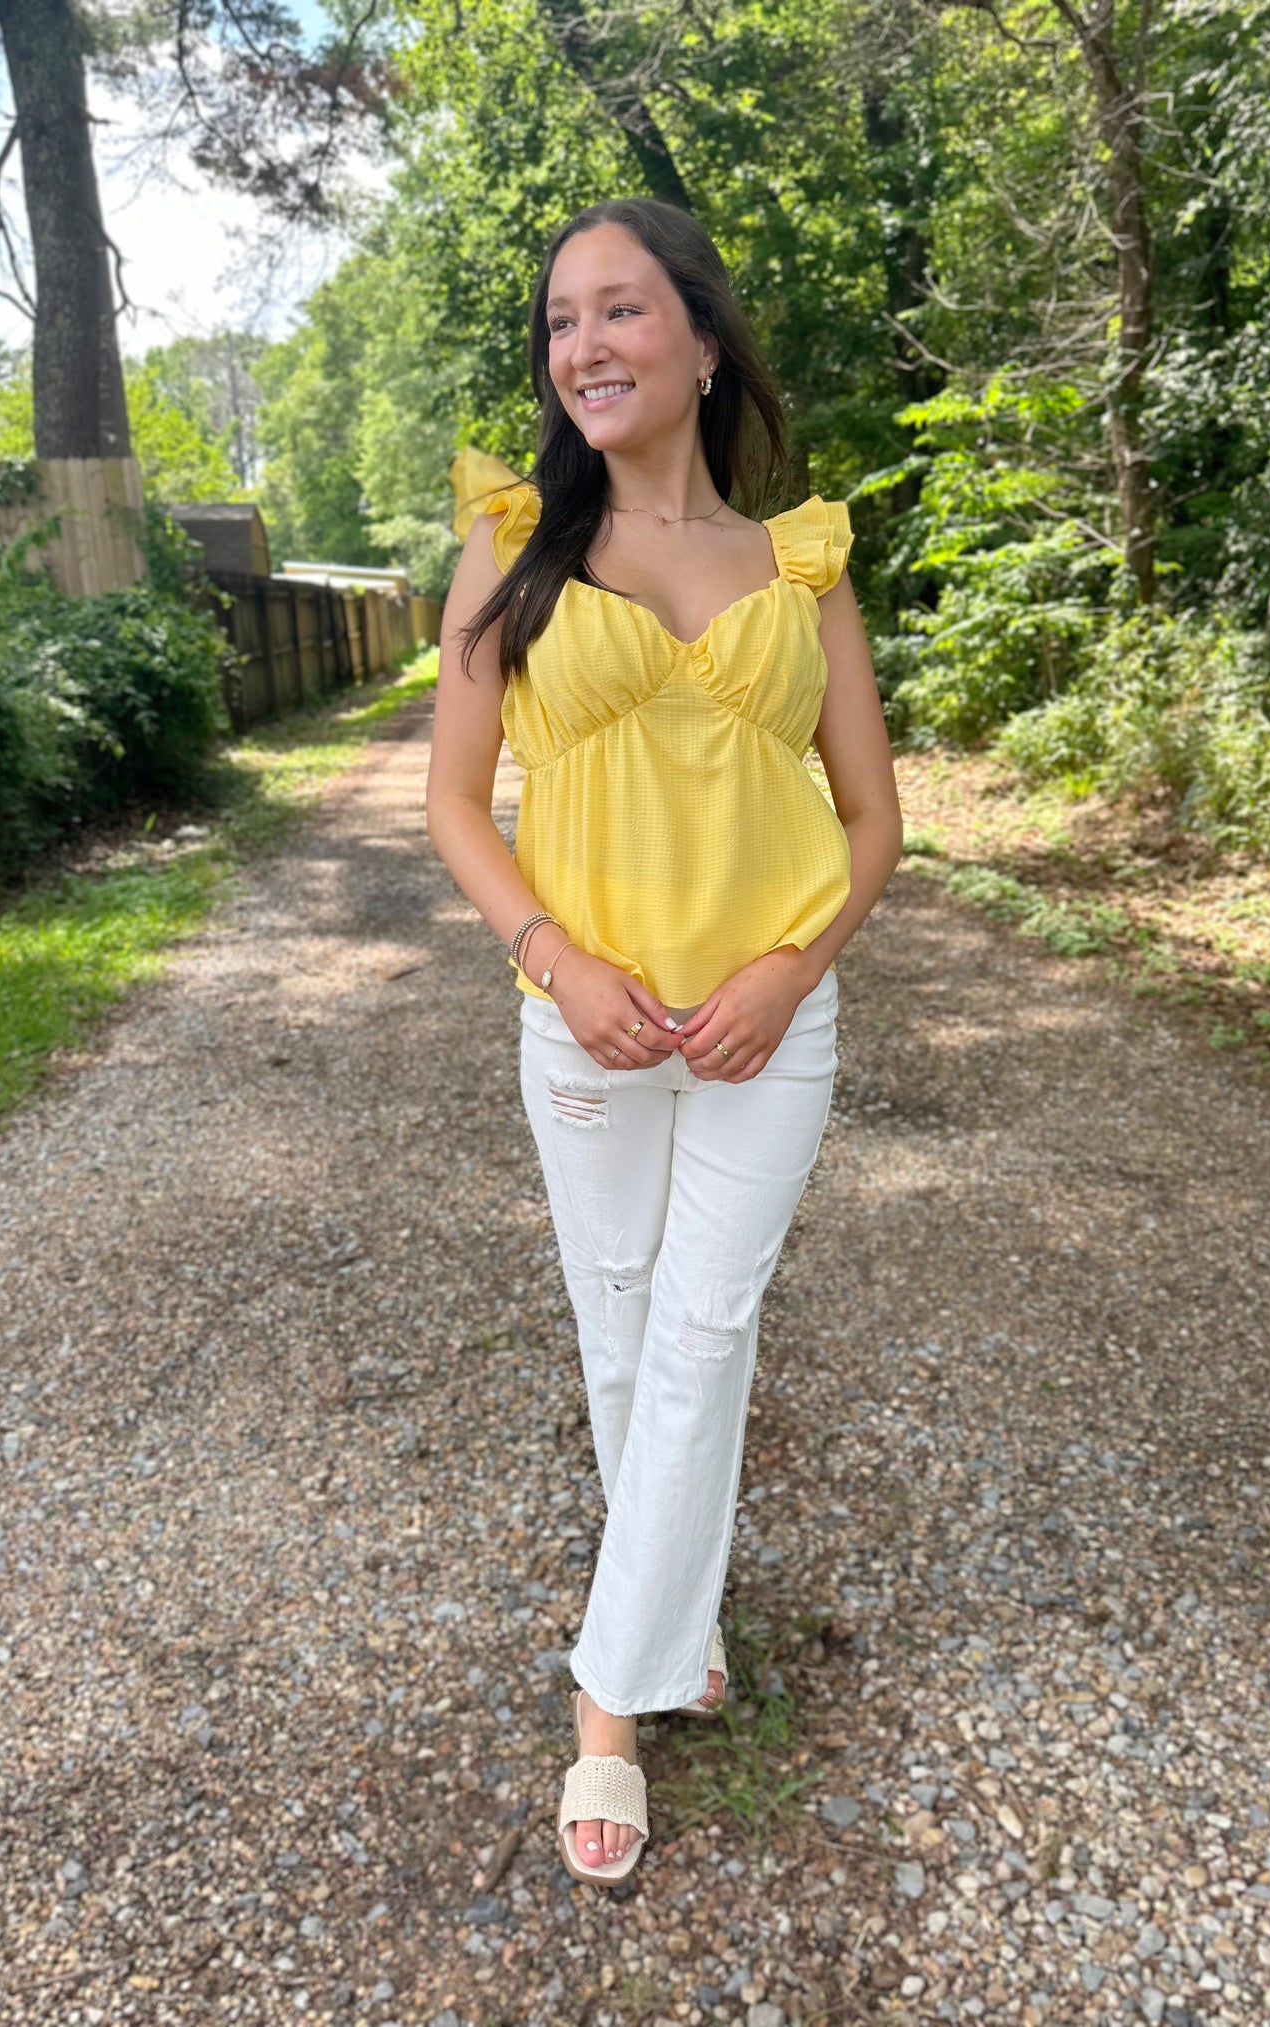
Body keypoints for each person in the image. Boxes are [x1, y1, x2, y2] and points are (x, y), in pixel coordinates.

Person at [426, 196, 904, 1888]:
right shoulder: (512, 543)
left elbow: (871, 825)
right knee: (620, 1335)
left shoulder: (800, 563)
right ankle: (672, 1626)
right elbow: (453, 805)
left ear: (700, 344)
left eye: (620, 311)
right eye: (561, 322)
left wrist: (789, 968)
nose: (583, 348)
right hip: (587, 1024)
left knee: (703, 1331)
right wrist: (552, 958)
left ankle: (608, 1706)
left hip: (769, 1026)